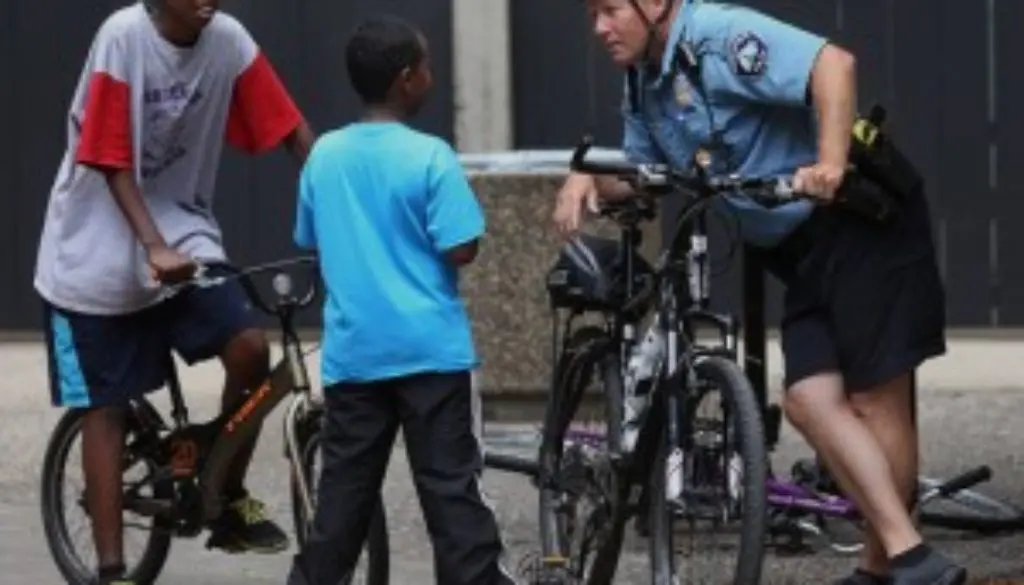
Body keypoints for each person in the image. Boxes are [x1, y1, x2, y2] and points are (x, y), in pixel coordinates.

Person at [553, 1, 965, 585]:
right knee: (808, 399)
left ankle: (890, 564)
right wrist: (584, 172)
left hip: (864, 226)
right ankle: (907, 560)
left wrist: (829, 162)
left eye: (611, 9)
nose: (599, 28)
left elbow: (834, 65)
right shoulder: (644, 79)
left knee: (877, 401)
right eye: (591, 13)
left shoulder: (720, 36)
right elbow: (639, 169)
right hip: (800, 250)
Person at [34, 0, 315, 583]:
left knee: (249, 348)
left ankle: (225, 492)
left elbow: (290, 128)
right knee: (105, 409)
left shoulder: (228, 39)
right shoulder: (123, 37)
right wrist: (151, 246)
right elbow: (109, 157)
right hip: (94, 245)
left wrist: (340, 205)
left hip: (183, 231)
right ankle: (112, 570)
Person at [285, 14, 515, 585]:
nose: (431, 77)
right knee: (452, 495)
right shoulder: (431, 156)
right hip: (431, 353)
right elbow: (462, 248)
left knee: (341, 501)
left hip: (355, 355)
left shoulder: (324, 156)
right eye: (428, 67)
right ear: (407, 78)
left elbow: (309, 237)